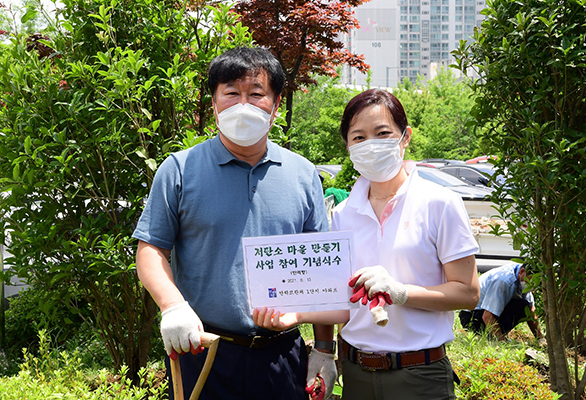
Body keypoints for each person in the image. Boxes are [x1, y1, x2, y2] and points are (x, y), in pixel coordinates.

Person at [133, 46, 335, 400]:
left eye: (256, 94)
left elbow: (318, 270)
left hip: (281, 354)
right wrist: (172, 305)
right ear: (213, 103)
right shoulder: (180, 169)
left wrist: (323, 347)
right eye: (231, 93)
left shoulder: (303, 174)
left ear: (275, 106)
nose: (243, 105)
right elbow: (151, 248)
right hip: (203, 349)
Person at [254, 88, 481, 400]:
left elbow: (468, 292)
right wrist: (298, 316)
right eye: (358, 137)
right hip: (357, 373)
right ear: (347, 146)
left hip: (419, 375)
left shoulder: (439, 203)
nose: (370, 144)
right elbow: (345, 303)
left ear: (406, 137)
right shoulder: (345, 213)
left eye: (383, 133)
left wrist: (401, 292)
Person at [459, 262, 544, 342]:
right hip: (471, 316)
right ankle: (493, 337)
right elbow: (487, 316)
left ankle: (495, 335)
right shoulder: (504, 281)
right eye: (531, 282)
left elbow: (531, 310)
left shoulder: (520, 276)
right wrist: (502, 341)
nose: (533, 287)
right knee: (521, 305)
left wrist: (541, 339)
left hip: (484, 313)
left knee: (524, 306)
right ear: (522, 272)